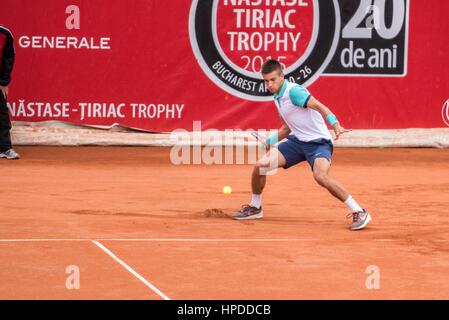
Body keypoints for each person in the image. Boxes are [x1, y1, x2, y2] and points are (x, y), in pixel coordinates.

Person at [233, 59, 371, 231]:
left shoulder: (294, 92)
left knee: (320, 176)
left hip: (319, 143)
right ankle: (255, 207)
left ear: (282, 77)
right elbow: (287, 127)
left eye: (273, 80)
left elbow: (320, 107)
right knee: (261, 165)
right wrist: (269, 142)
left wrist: (335, 124)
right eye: (266, 81)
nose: (269, 84)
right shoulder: (277, 97)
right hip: (298, 142)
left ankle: (359, 210)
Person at [0, 25, 19, 160]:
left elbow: (9, 57)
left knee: (2, 116)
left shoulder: (4, 34)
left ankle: (5, 149)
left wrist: (3, 82)